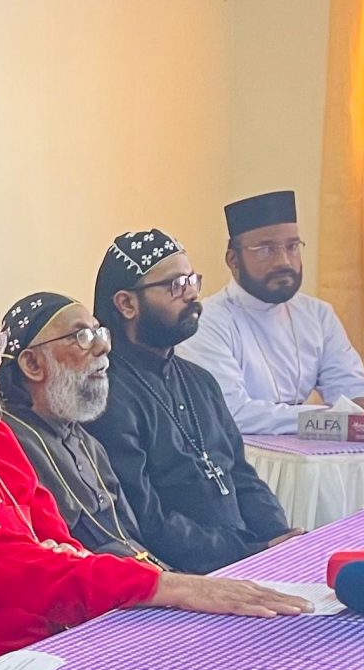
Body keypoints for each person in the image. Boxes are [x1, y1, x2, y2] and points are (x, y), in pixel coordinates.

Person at [0, 264, 305, 662]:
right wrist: (165, 585)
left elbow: (59, 543)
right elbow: (3, 564)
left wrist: (132, 581)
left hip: (47, 649)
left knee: (232, 656)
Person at [89, 230, 301, 573]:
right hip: (179, 577)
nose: (191, 294)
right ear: (127, 304)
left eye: (192, 281)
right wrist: (250, 552)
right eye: (175, 285)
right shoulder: (107, 394)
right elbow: (145, 520)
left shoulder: (200, 381)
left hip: (244, 559)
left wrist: (279, 537)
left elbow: (241, 475)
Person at [184, 190, 364, 432]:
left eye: (292, 246)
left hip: (305, 448)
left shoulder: (316, 314)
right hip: (238, 452)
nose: (284, 261)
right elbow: (232, 413)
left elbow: (350, 386)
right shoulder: (206, 321)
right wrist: (334, 416)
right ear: (233, 260)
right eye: (265, 249)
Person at [0, 290, 159, 564]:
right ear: (32, 364)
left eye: (99, 333)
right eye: (81, 336)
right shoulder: (7, 442)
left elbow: (128, 535)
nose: (103, 347)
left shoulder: (88, 443)